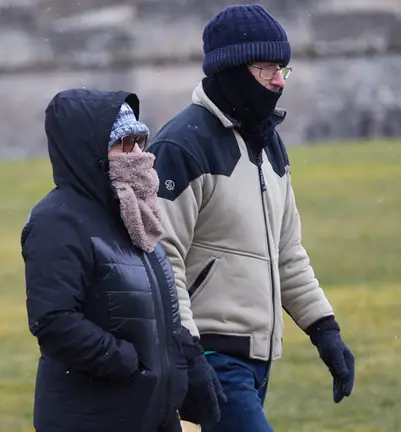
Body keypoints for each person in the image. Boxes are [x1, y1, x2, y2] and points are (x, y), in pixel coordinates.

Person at [145, 4, 356, 431]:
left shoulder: (268, 144)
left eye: (284, 69)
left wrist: (325, 330)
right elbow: (160, 263)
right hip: (210, 358)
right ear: (233, 71)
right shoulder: (182, 147)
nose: (279, 81)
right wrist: (189, 354)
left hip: (258, 359)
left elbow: (287, 252)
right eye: (267, 69)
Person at [20, 88, 225, 432]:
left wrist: (188, 364)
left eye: (139, 142)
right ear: (91, 152)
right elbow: (53, 321)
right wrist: (133, 364)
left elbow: (161, 310)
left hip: (152, 413)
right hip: (93, 417)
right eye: (123, 144)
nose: (137, 155)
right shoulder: (56, 221)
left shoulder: (135, 211)